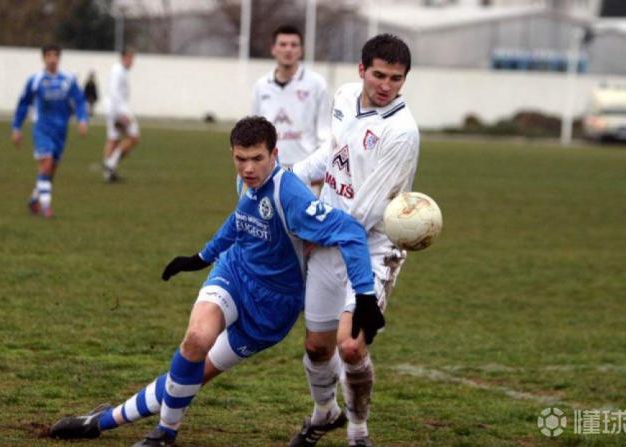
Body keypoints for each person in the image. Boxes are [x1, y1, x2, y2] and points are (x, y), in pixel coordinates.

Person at [49, 116, 383, 447]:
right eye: (240, 159)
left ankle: (101, 421)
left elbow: (351, 232)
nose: (248, 168)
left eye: (257, 158)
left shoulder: (292, 196)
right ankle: (164, 433)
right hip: (234, 273)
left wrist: (365, 295)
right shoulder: (245, 180)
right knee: (196, 340)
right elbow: (240, 219)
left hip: (270, 308)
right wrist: (202, 257)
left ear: (275, 154)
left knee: (194, 375)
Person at [288, 34, 419, 447]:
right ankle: (324, 412)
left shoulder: (402, 132)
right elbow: (333, 154)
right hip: (330, 240)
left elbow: (366, 210)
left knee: (349, 347)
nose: (386, 85)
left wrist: (312, 228)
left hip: (373, 247)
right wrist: (290, 178)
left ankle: (358, 433)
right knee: (316, 347)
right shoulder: (345, 97)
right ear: (362, 70)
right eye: (379, 75)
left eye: (396, 79)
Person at [11, 44, 88, 218]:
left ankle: (34, 199)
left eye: (55, 56)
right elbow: (24, 104)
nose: (52, 59)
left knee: (51, 170)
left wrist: (82, 119)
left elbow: (79, 100)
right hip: (42, 128)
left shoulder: (68, 79)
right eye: (49, 56)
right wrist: (16, 127)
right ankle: (46, 206)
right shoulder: (35, 80)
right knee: (46, 163)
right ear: (44, 58)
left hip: (61, 130)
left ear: (59, 58)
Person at [252, 25, 330, 181]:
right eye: (283, 44)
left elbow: (324, 132)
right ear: (273, 49)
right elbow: (255, 131)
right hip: (269, 170)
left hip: (306, 172)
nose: (288, 49)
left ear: (301, 51)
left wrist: (321, 169)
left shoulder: (317, 84)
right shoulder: (261, 86)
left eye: (294, 45)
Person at [103, 48, 139, 182]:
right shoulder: (118, 71)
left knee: (113, 139)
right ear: (124, 58)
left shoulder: (119, 70)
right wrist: (121, 113)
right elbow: (114, 92)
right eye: (130, 58)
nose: (132, 62)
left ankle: (108, 173)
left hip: (113, 108)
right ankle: (110, 164)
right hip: (118, 109)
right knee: (134, 137)